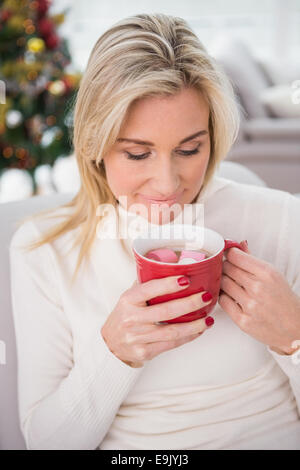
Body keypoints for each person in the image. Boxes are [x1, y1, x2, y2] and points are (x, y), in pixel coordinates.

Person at [9, 13, 300, 450]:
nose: (167, 185)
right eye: (138, 154)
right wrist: (114, 353)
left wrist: (293, 336)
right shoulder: (43, 249)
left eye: (189, 149)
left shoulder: (279, 218)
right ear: (94, 145)